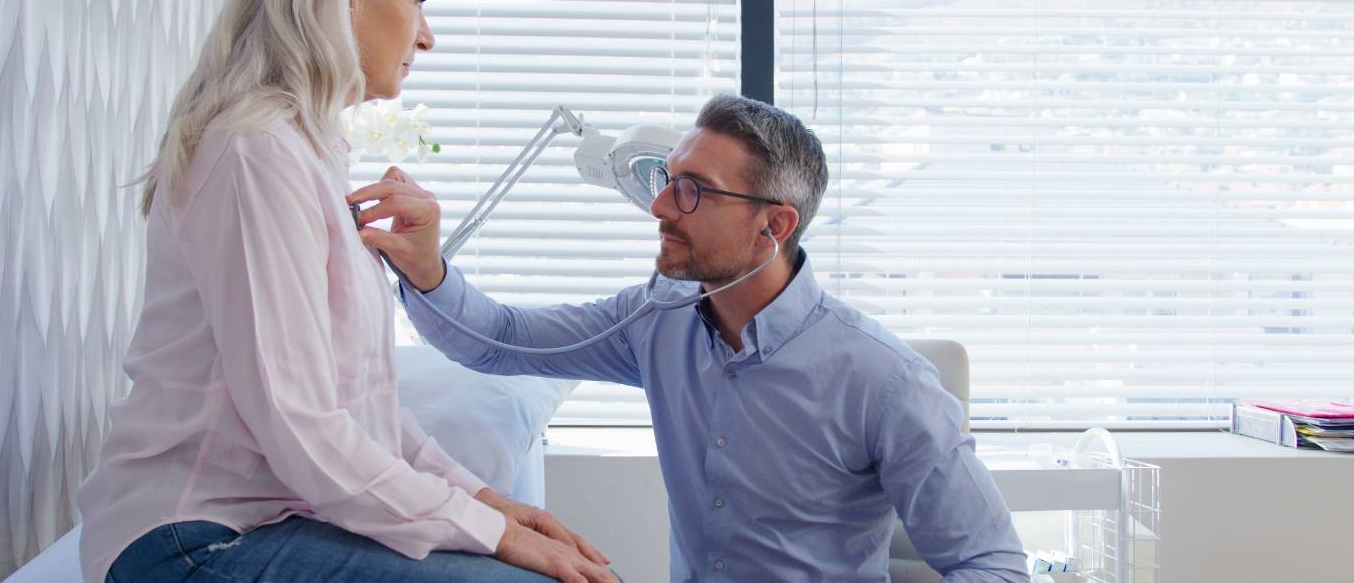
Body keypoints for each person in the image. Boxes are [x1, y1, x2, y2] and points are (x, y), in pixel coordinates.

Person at [77, 0, 617, 582]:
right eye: (418, 1)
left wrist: (488, 504)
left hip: (265, 521)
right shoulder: (255, 154)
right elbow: (301, 427)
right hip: (190, 539)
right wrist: (490, 533)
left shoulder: (307, 153)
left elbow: (367, 413)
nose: (427, 37)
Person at [352, 94, 1030, 581]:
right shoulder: (658, 317)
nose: (657, 207)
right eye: (667, 181)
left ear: (775, 227)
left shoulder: (888, 384)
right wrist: (428, 268)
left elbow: (991, 565)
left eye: (692, 191)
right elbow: (498, 341)